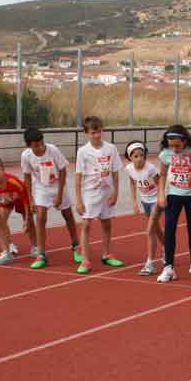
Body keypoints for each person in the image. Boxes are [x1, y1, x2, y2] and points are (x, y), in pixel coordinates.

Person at [20, 127, 80, 269]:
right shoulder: (26, 156)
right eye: (36, 146)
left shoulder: (52, 149)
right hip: (42, 188)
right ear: (29, 146)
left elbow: (63, 170)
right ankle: (41, 253)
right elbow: (27, 178)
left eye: (41, 143)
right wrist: (31, 200)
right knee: (40, 217)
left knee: (68, 215)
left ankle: (76, 245)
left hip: (58, 185)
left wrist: (59, 194)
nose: (40, 147)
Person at [74, 116, 125, 274]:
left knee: (106, 223)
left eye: (99, 132)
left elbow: (116, 173)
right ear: (87, 133)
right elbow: (78, 177)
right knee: (87, 224)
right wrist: (79, 200)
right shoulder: (83, 151)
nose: (96, 135)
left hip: (106, 192)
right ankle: (85, 259)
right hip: (90, 192)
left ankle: (106, 253)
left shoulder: (111, 148)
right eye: (93, 132)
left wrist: (116, 192)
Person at [156, 125, 191, 283]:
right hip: (173, 194)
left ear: (185, 140)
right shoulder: (165, 154)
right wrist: (161, 194)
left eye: (178, 145)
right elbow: (162, 175)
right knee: (169, 229)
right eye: (172, 146)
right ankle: (168, 267)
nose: (175, 149)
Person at [0, 155, 34, 265]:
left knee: (29, 223)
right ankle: (6, 252)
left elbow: (26, 201)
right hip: (5, 201)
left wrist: (27, 219)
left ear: (3, 170)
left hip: (20, 200)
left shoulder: (14, 182)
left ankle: (35, 246)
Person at [124, 141, 164, 275]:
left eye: (142, 155)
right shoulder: (129, 168)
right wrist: (134, 202)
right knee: (156, 228)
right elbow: (132, 182)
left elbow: (160, 185)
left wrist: (160, 200)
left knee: (150, 230)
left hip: (155, 201)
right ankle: (166, 248)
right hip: (145, 200)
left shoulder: (151, 169)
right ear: (130, 157)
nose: (139, 158)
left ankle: (150, 263)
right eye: (136, 156)